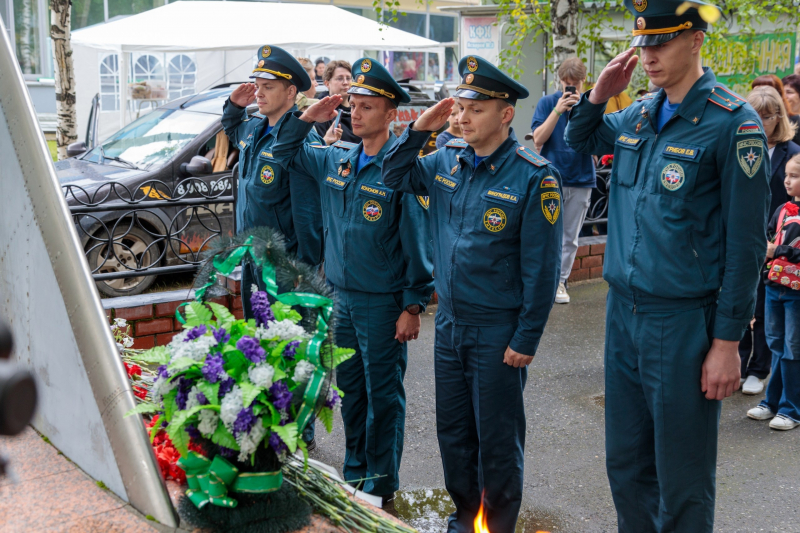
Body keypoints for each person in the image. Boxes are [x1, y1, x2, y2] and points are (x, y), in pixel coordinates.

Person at [564, 0, 770, 530]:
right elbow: (577, 139)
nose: (648, 55)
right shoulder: (635, 115)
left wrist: (727, 342)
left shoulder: (732, 124)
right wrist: (598, 95)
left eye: (662, 42)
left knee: (682, 475)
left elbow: (747, 244)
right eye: (642, 44)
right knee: (627, 465)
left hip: (682, 322)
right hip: (623, 314)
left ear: (697, 40)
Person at [382, 56, 563, 532]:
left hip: (497, 327)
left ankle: (497, 524)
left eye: (475, 109)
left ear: (506, 114)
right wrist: (420, 128)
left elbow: (542, 269)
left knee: (498, 439)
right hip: (452, 324)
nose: (462, 117)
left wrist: (526, 337)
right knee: (455, 434)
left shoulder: (533, 175)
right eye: (459, 108)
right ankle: (466, 518)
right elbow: (392, 175)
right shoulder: (446, 160)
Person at [270, 58, 434, 504]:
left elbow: (417, 239)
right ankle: (356, 473)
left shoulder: (402, 168)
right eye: (352, 106)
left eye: (366, 106)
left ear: (391, 112)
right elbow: (282, 152)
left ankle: (381, 486)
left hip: (383, 302)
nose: (355, 114)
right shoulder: (336, 159)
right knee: (352, 391)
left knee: (384, 396)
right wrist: (307, 118)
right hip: (341, 296)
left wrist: (413, 304)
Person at [221, 45, 324, 314]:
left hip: (284, 264)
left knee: (288, 345)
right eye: (257, 86)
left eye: (268, 87)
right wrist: (234, 106)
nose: (258, 93)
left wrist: (305, 267)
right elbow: (232, 129)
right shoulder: (255, 127)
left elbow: (309, 211)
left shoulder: (301, 140)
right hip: (252, 257)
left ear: (291, 92)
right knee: (257, 339)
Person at [739, 86, 800, 394]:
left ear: (779, 117)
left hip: (774, 242)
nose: (761, 123)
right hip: (743, 233)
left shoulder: (792, 152)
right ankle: (738, 364)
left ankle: (757, 369)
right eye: (755, 116)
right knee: (738, 301)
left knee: (765, 307)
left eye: (768, 116)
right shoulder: (740, 144)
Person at [531, 57, 596, 304]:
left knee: (570, 236)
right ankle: (542, 280)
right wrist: (558, 111)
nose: (570, 88)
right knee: (545, 232)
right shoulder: (548, 103)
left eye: (575, 84)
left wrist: (584, 109)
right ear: (559, 80)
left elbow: (597, 141)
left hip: (581, 178)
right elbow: (538, 139)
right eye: (566, 83)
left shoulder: (591, 104)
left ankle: (560, 281)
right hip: (551, 177)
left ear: (583, 81)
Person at [747, 153, 800, 430]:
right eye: (787, 175)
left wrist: (778, 251)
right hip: (774, 287)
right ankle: (772, 401)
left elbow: (780, 248)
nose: (787, 180)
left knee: (793, 350)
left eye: (794, 176)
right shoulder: (782, 209)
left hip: (796, 292)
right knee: (776, 345)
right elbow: (768, 237)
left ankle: (792, 409)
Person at [314, 60, 361, 144]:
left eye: (348, 78)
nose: (346, 82)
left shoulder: (360, 108)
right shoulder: (321, 111)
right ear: (327, 83)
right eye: (339, 78)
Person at [752, 74, 800, 145]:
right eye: (756, 91)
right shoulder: (746, 115)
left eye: (766, 117)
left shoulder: (794, 121)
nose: (761, 95)